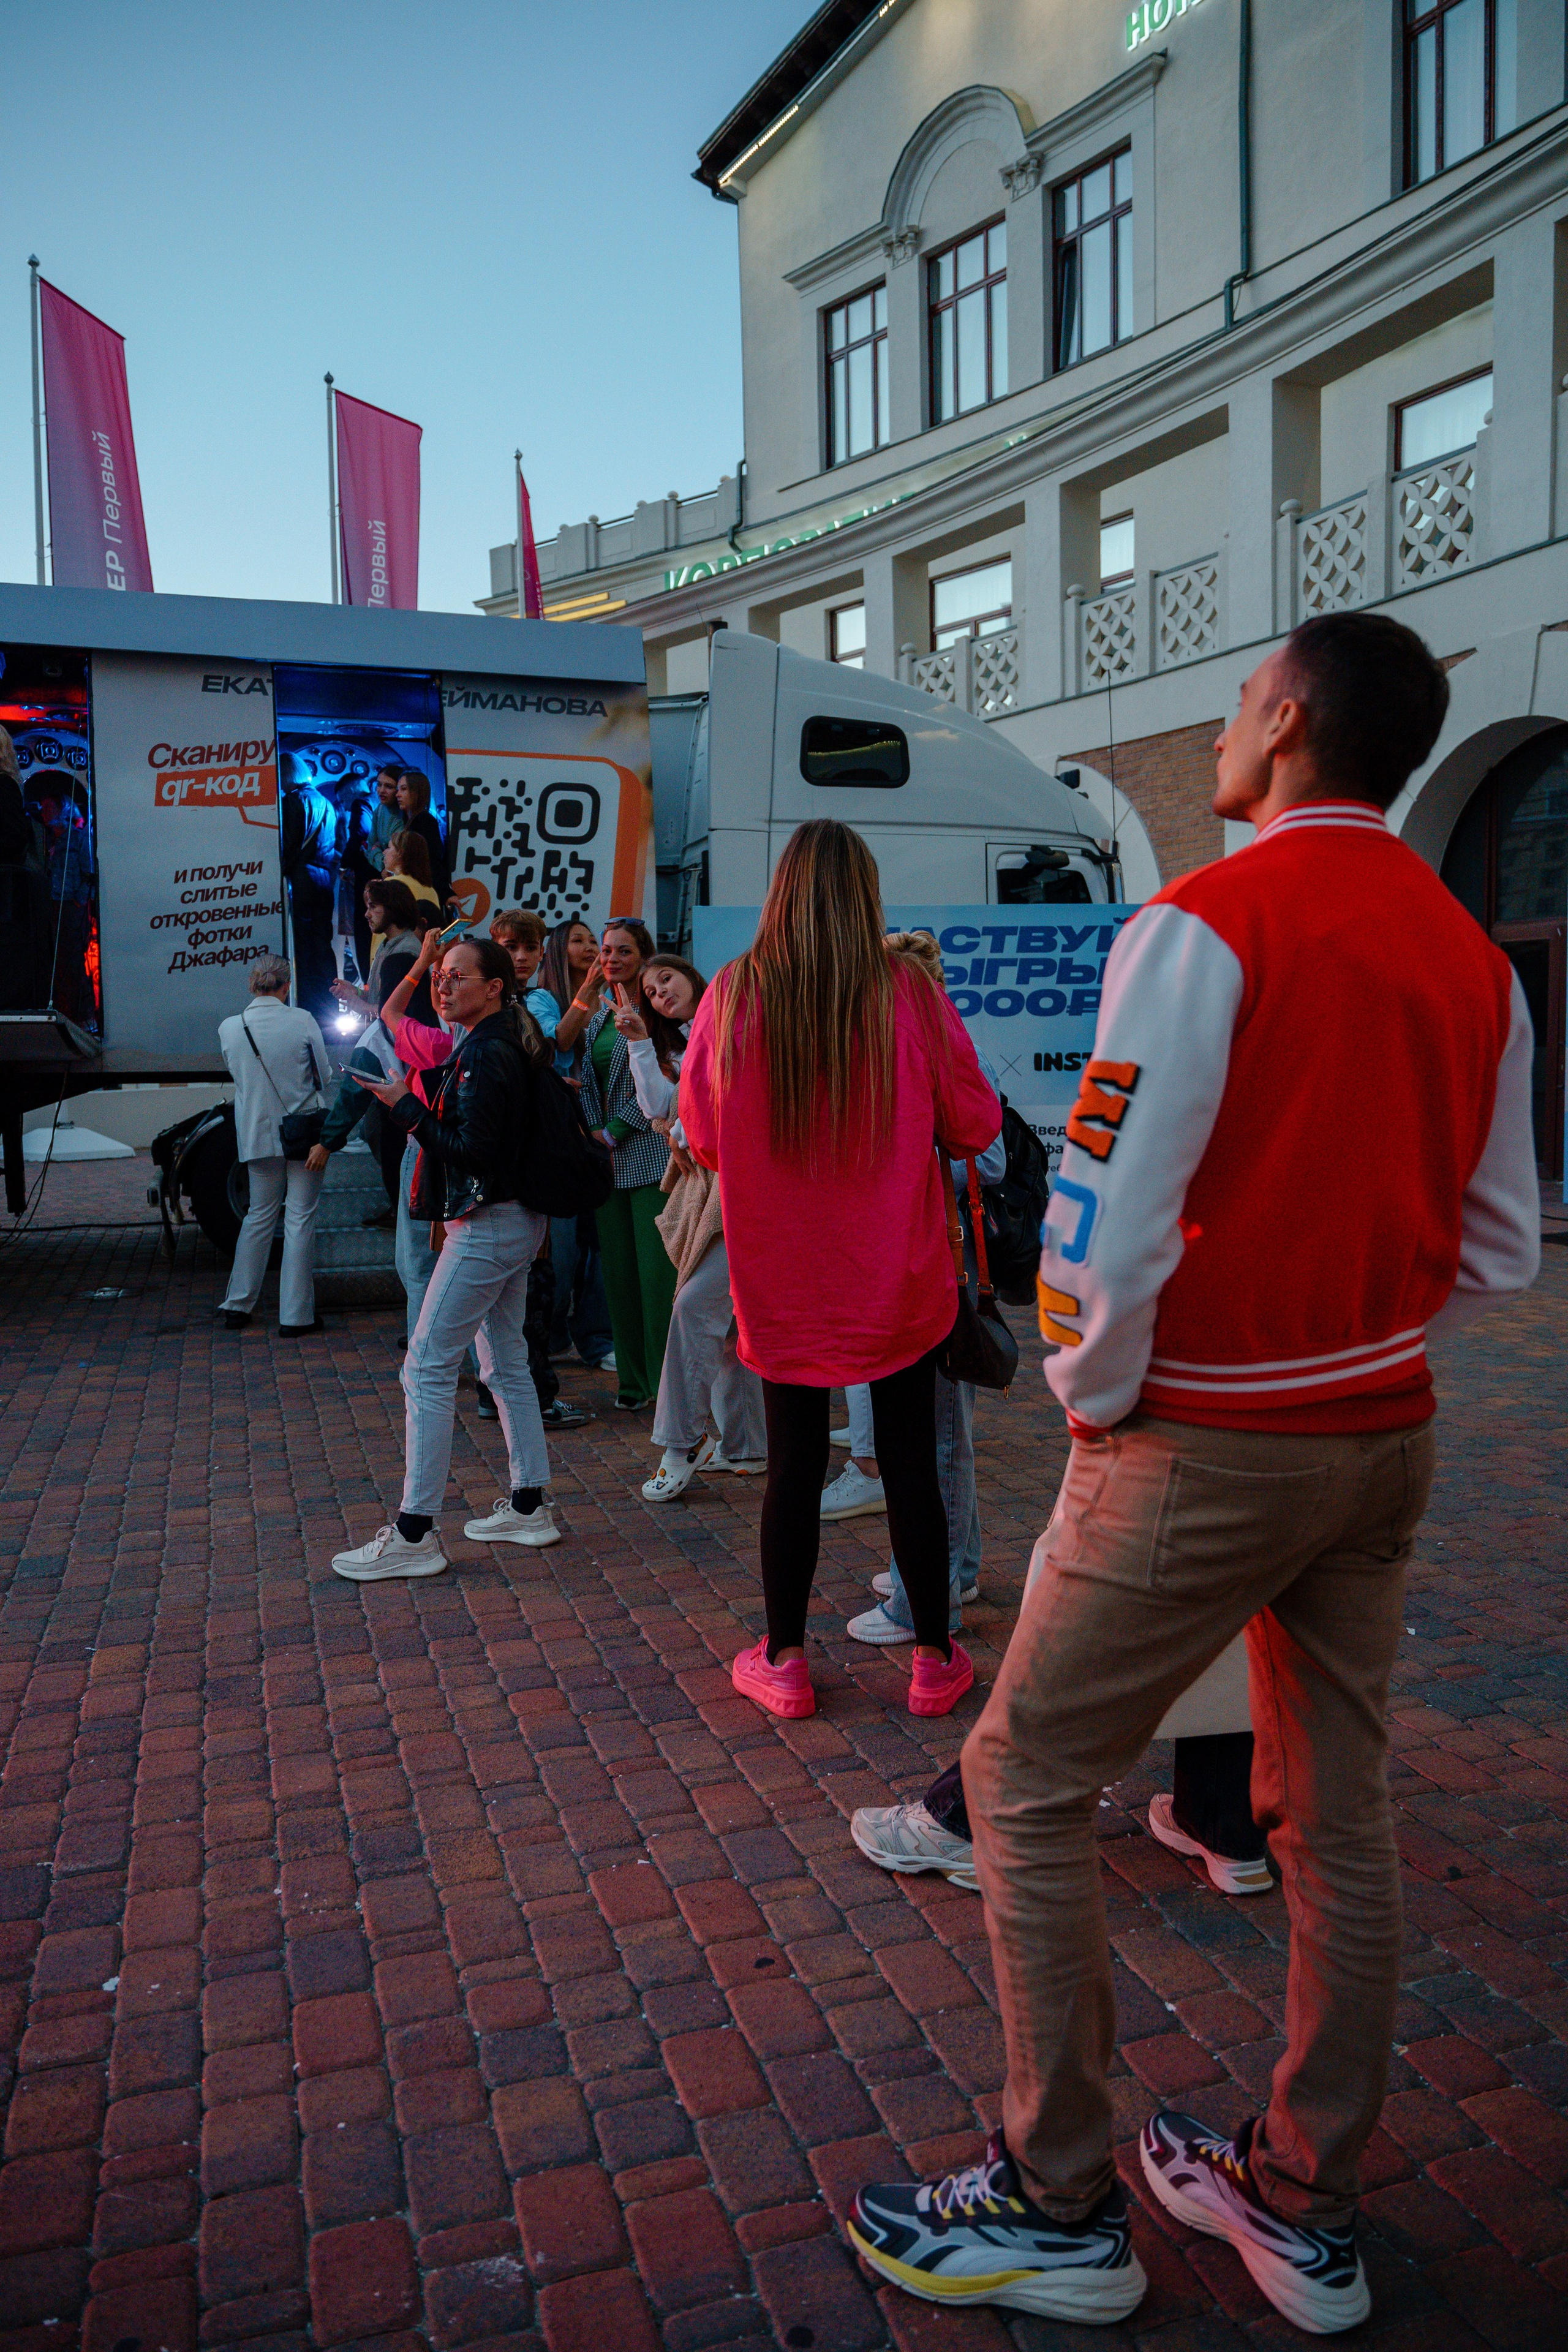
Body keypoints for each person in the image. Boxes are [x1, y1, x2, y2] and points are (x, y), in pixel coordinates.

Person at [848, 613, 1540, 2333]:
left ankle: (1055, 2198)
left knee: (1018, 1781)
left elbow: (1099, 1218)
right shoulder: (1475, 957)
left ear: (1290, 720)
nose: (1227, 729)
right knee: (1336, 1812)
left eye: (1240, 705)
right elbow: (1508, 1244)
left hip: (1209, 1434)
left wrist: (1100, 1394)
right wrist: (1350, 1308)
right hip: (1384, 1427)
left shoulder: (1203, 922)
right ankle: (1307, 2197)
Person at [680, 819, 1001, 1722]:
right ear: (866, 895)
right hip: (896, 1275)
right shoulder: (908, 990)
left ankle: (783, 1659)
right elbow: (974, 1126)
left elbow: (703, 1137)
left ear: (778, 894)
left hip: (781, 1276)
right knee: (908, 1464)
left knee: (792, 1467)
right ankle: (935, 1660)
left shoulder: (734, 993)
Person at [333, 935, 561, 1582]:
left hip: (487, 1224)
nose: (444, 985)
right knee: (504, 1361)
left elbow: (472, 1151)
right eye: (439, 976)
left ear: (494, 987)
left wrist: (403, 1105)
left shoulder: (486, 1053)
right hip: (510, 1220)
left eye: (457, 976)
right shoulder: (491, 1045)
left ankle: (415, 1532)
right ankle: (528, 1503)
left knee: (427, 1368)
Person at [845, 930, 1008, 1645]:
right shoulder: (919, 1044)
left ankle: (926, 1599)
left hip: (939, 1264)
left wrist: (894, 1159)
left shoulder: (938, 1048)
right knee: (945, 1434)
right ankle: (954, 1568)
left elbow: (989, 1160)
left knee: (939, 1435)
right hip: (922, 1261)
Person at [615, 956, 767, 1499]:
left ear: (694, 978)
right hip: (715, 1190)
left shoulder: (734, 1028)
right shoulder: (678, 1041)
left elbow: (698, 1109)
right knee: (726, 1321)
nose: (658, 995)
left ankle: (679, 1444)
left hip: (747, 1190)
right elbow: (661, 1105)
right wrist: (637, 1042)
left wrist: (682, 1129)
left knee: (697, 1307)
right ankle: (745, 1444)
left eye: (666, 981)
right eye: (651, 992)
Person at [489, 907, 590, 1433]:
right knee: (517, 1281)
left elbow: (555, 1050)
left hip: (541, 1155)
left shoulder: (541, 999)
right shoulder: (480, 1000)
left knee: (538, 1277)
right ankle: (517, 1394)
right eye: (512, 948)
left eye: (530, 949)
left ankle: (525, 1389)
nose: (522, 957)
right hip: (503, 1159)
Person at [574, 918, 676, 1411]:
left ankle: (664, 1387)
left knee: (657, 1280)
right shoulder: (597, 1016)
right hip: (606, 1165)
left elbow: (664, 1078)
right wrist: (596, 1128)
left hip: (653, 1156)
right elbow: (586, 1080)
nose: (612, 959)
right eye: (607, 950)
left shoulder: (659, 1013)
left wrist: (615, 1130)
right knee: (618, 1277)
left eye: (624, 952)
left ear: (644, 956)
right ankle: (633, 1385)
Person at [217, 956, 330, 1337]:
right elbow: (324, 1075)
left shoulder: (230, 1028)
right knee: (300, 1219)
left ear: (253, 984)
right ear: (286, 986)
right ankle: (296, 1317)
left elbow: (239, 1076)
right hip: (302, 1134)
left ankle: (238, 1304)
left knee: (258, 1217)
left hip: (256, 1133)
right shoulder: (302, 1020)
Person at [537, 918, 615, 1372]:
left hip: (606, 1138)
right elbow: (556, 1043)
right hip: (565, 1139)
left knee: (599, 1247)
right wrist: (587, 993)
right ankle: (551, 1334)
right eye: (580, 941)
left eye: (596, 942)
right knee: (562, 1252)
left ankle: (596, 1337)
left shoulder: (610, 997)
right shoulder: (544, 1000)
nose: (591, 949)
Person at [279, 758, 341, 1027]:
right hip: (324, 879)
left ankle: (305, 1011)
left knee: (302, 949)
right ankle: (329, 1012)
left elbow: (289, 845)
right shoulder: (325, 802)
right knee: (323, 948)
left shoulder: (292, 801)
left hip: (302, 879)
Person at [394, 767, 450, 905]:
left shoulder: (425, 821)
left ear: (417, 792)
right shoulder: (410, 821)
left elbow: (432, 860)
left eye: (404, 789)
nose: (397, 794)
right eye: (398, 789)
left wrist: (446, 892)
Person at [380, 829, 442, 930]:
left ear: (401, 853)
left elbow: (383, 933)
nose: (384, 852)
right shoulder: (431, 891)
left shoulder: (391, 886)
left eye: (389, 847)